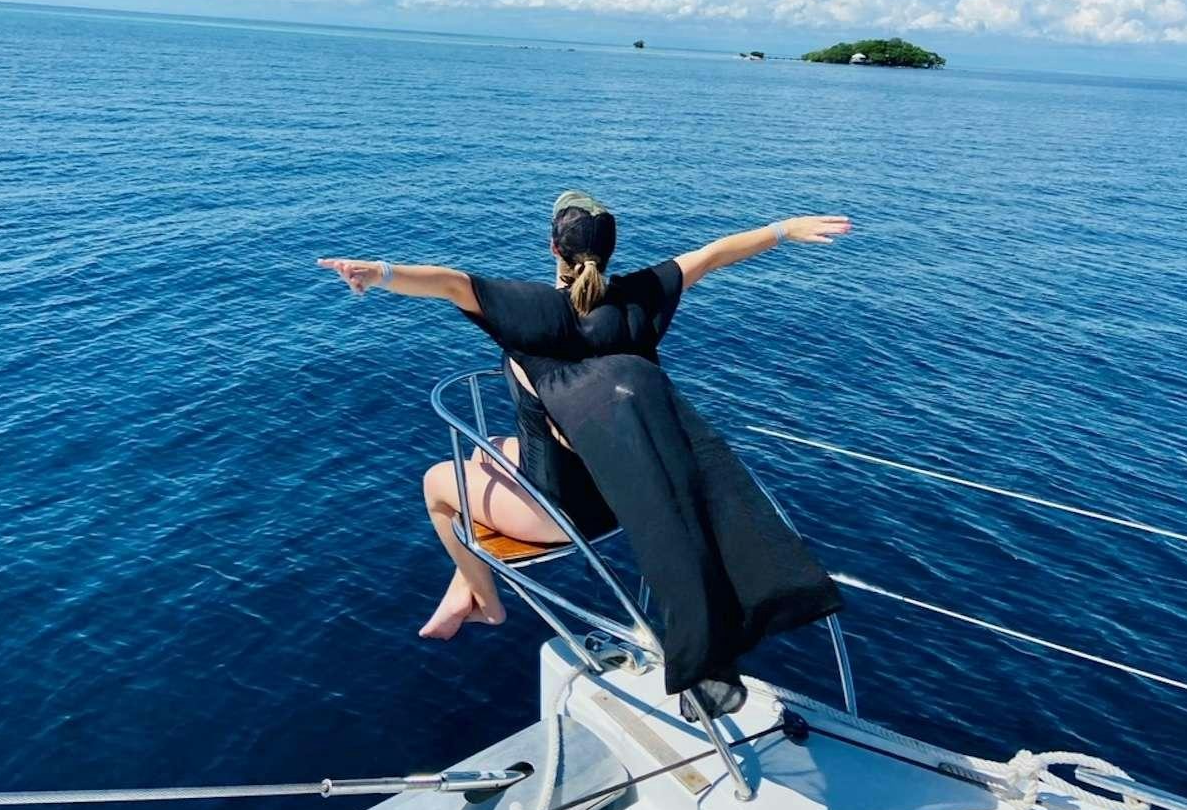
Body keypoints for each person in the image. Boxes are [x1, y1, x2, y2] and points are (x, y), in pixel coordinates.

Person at [319, 191, 849, 710]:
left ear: (554, 248)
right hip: (628, 491)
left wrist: (378, 272)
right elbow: (712, 254)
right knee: (488, 452)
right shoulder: (638, 300)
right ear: (609, 251)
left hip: (564, 513)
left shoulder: (533, 313)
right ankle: (464, 588)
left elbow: (451, 283)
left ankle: (487, 601)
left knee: (438, 484)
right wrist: (784, 230)